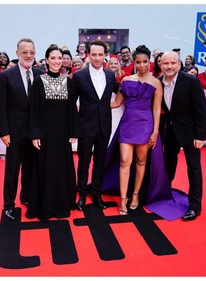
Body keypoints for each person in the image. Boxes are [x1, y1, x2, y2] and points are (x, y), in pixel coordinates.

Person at [25, 44, 79, 221]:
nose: (57, 61)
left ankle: (62, 203)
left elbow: (71, 109)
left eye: (59, 58)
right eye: (53, 58)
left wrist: (72, 131)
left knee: (62, 166)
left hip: (62, 133)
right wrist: (35, 134)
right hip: (44, 133)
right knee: (45, 167)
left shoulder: (69, 82)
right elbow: (34, 110)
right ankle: (46, 205)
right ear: (46, 60)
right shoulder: (39, 82)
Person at [110, 45, 163, 215]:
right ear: (134, 62)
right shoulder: (126, 80)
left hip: (145, 125)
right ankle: (123, 199)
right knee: (125, 161)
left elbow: (156, 109)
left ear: (150, 62)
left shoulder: (156, 82)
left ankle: (135, 195)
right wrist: (94, 104)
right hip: (128, 124)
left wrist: (154, 131)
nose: (141, 65)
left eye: (145, 62)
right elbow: (116, 103)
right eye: (138, 62)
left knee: (141, 161)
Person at [0, 38, 44, 222]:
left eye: (32, 52)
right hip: (14, 133)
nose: (29, 55)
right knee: (12, 171)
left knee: (31, 169)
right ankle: (8, 205)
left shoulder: (40, 73)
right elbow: (1, 106)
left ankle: (26, 198)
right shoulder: (6, 76)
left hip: (34, 134)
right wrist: (4, 132)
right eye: (25, 52)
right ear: (17, 53)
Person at [160, 51, 206, 221]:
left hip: (190, 132)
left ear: (179, 64)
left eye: (173, 63)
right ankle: (165, 194)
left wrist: (200, 136)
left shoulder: (191, 81)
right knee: (168, 164)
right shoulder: (159, 82)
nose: (170, 66)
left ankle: (195, 206)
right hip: (170, 132)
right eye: (166, 63)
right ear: (161, 65)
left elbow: (201, 110)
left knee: (193, 168)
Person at [73, 39, 120, 211]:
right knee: (84, 162)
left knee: (100, 163)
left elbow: (122, 90)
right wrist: (73, 128)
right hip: (85, 126)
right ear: (88, 55)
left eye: (100, 54)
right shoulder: (79, 76)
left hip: (104, 126)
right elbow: (71, 103)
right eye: (94, 54)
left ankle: (97, 194)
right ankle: (82, 195)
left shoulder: (110, 75)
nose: (97, 58)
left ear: (105, 55)